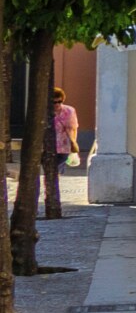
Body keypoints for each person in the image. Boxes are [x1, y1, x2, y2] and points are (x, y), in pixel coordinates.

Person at [44, 87, 74, 219]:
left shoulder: (68, 111)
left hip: (63, 147)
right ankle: (50, 196)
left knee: (55, 172)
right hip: (46, 148)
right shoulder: (44, 112)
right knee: (50, 173)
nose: (56, 104)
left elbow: (72, 129)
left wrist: (74, 144)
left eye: (59, 101)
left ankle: (52, 198)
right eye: (54, 102)